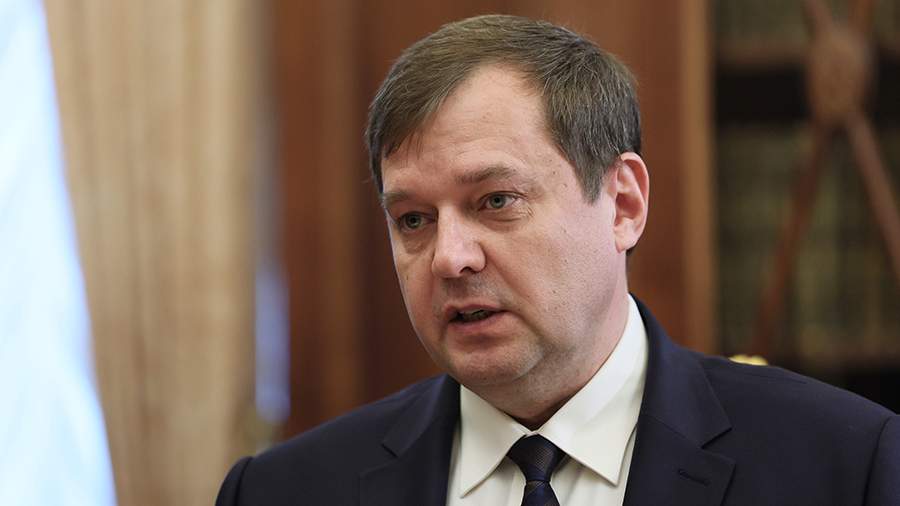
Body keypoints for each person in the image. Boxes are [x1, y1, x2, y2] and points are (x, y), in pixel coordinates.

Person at [217, 14, 899, 505]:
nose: (449, 258)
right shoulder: (284, 490)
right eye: (414, 220)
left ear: (623, 204)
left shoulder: (845, 466)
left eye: (496, 201)